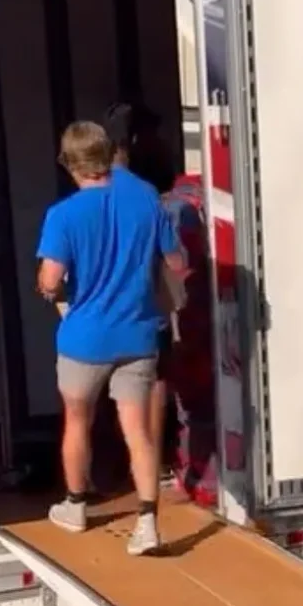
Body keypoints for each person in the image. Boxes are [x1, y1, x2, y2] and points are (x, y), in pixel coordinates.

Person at [35, 121, 185, 555]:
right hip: (138, 334)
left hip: (84, 340)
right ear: (108, 155)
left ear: (69, 164)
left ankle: (75, 506)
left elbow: (50, 280)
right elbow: (176, 261)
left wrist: (48, 289)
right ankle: (148, 525)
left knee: (77, 420)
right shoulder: (146, 200)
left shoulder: (63, 215)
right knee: (138, 431)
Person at [102, 101, 183, 479]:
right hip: (144, 304)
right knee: (153, 383)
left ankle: (105, 472)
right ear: (133, 140)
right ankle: (150, 465)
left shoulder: (88, 192)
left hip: (101, 310)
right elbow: (174, 259)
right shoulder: (146, 193)